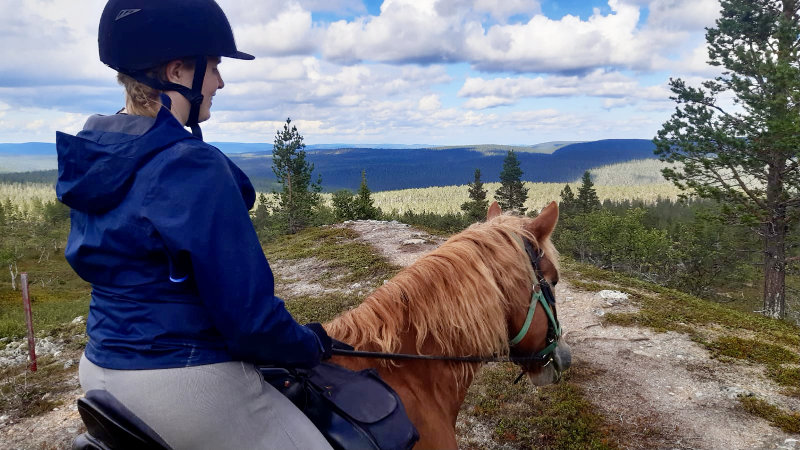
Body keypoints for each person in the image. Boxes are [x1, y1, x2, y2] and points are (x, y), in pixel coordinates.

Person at [56, 1, 334, 448]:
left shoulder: (95, 153)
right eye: (215, 67)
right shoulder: (192, 167)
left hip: (99, 368)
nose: (220, 82)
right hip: (179, 380)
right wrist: (308, 346)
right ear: (178, 71)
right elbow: (252, 321)